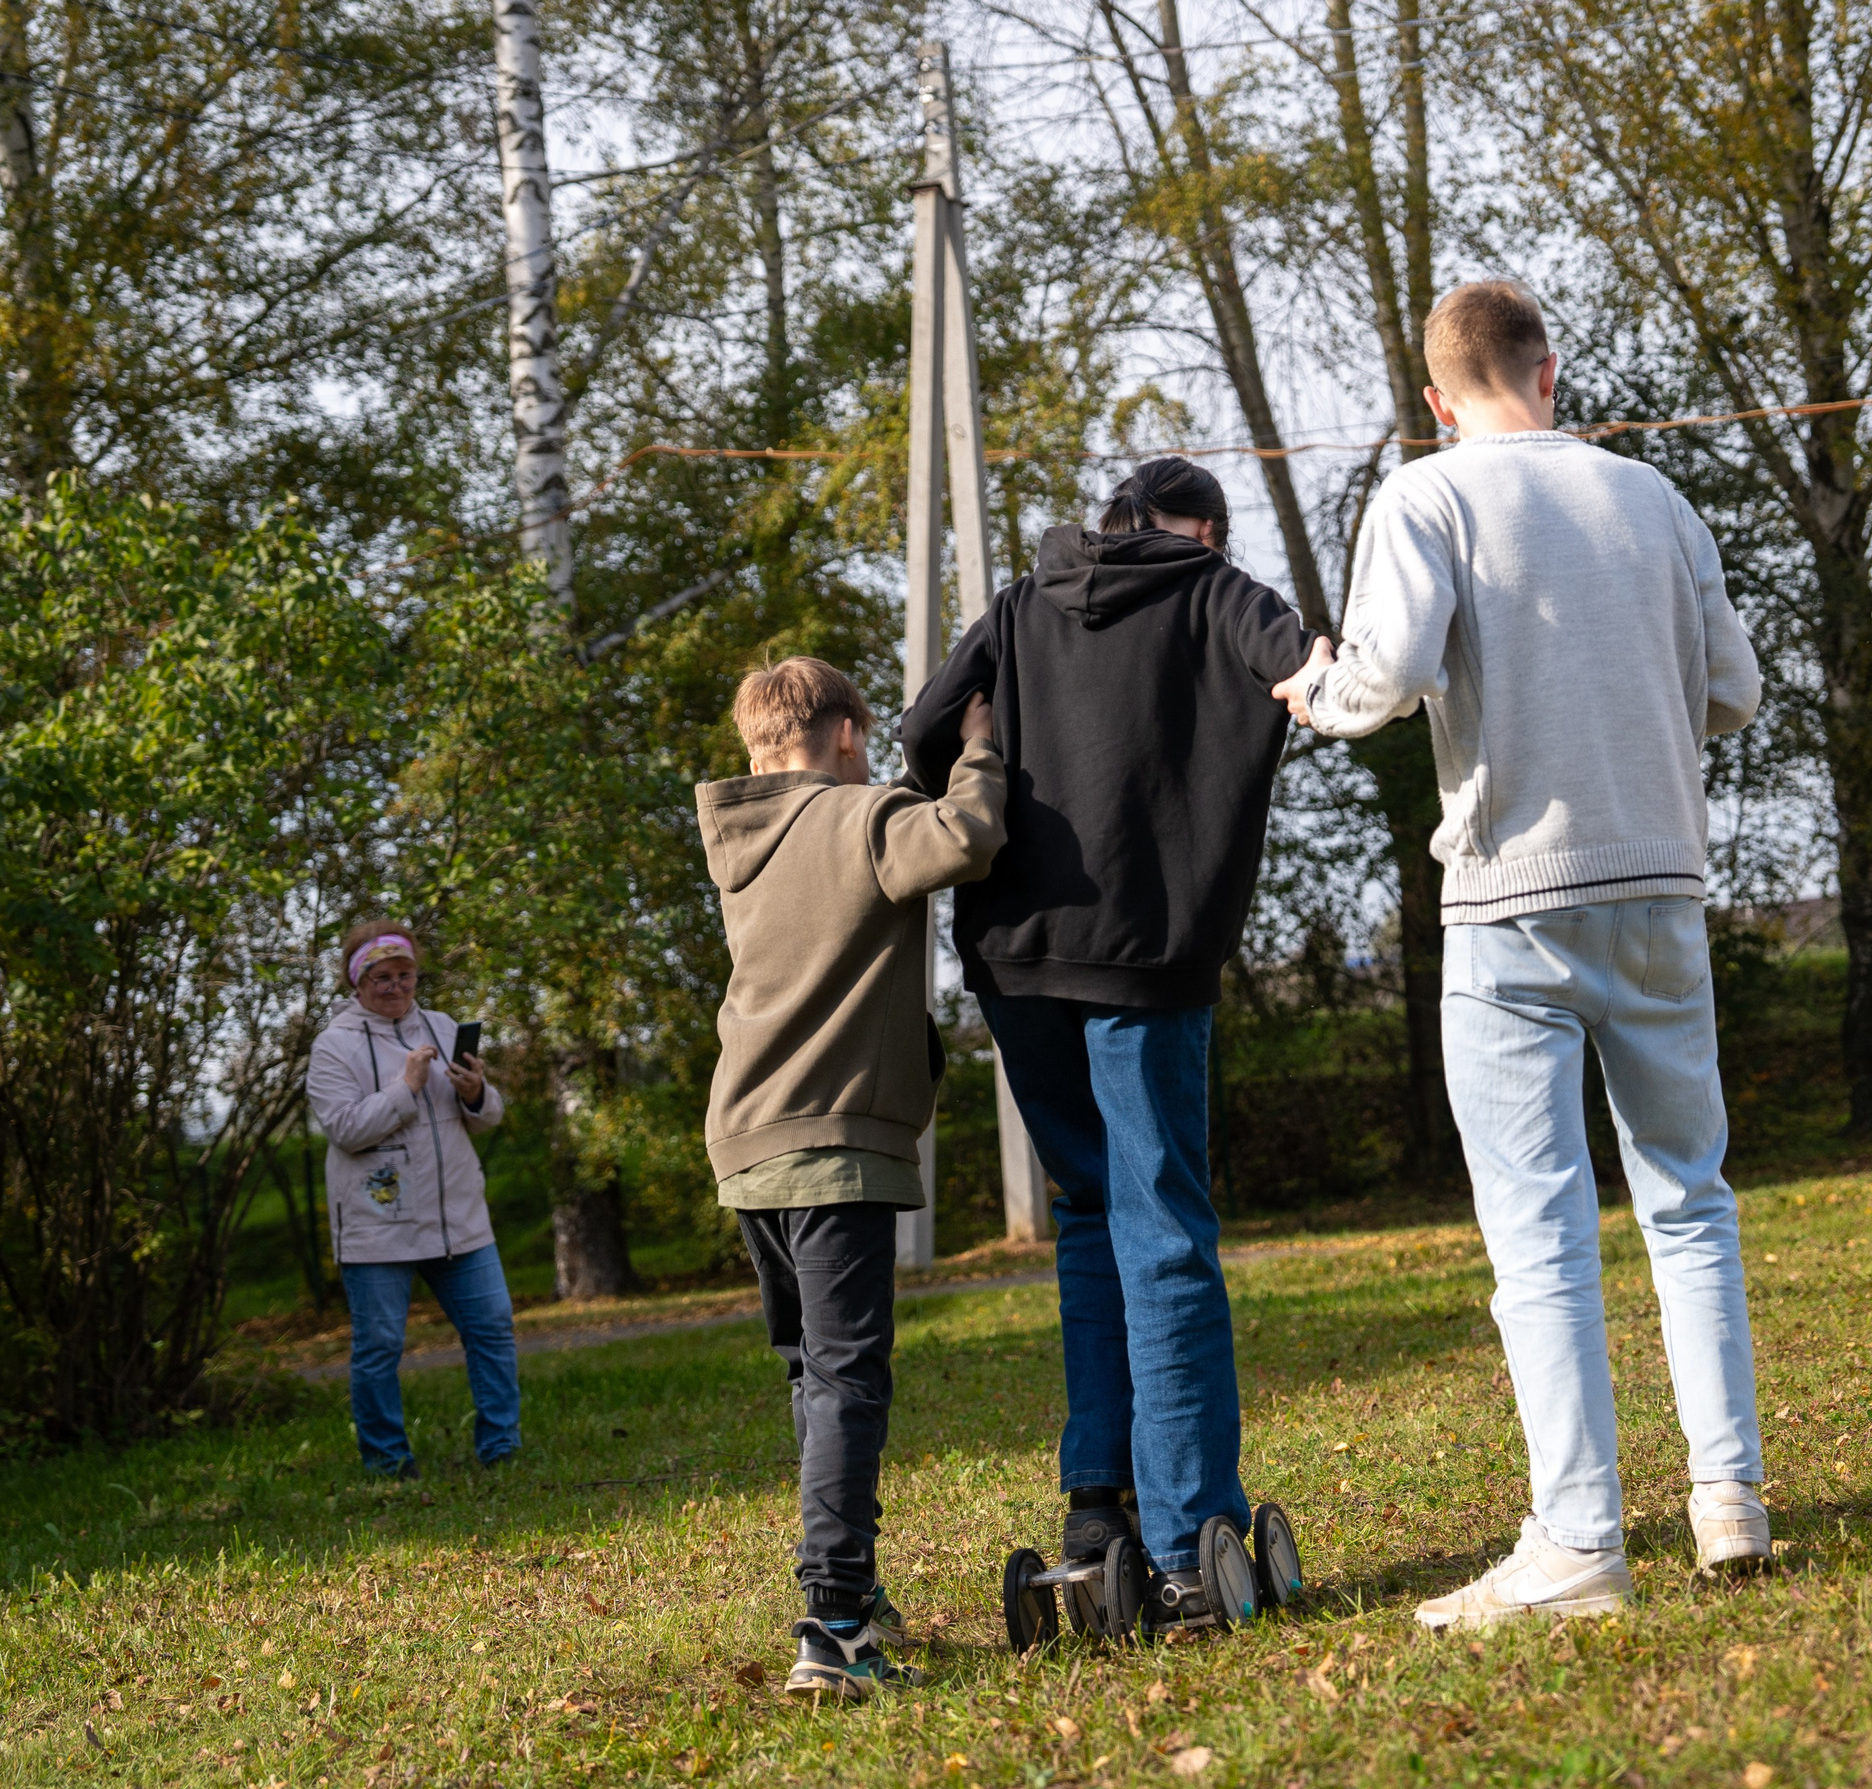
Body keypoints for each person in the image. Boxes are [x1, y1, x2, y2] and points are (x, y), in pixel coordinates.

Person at [1274, 278, 1770, 1624]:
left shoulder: (1426, 497)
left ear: (1438, 399)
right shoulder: (1655, 501)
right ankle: (1729, 1498)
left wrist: (1310, 686)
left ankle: (1580, 1535)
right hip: (1661, 879)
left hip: (1510, 900)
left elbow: (1375, 684)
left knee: (1538, 1228)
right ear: (1550, 367)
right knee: (1690, 1195)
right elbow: (1732, 691)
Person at [900, 455, 1314, 1628]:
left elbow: (927, 730)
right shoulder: (1212, 589)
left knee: (1092, 1213)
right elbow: (1303, 678)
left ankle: (1098, 1509)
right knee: (1165, 1222)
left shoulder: (1026, 602)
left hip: (1019, 958)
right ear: (1196, 528)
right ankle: (1189, 1537)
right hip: (1144, 956)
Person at [700, 656, 1005, 1700]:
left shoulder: (743, 835)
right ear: (840, 733)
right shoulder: (855, 815)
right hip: (833, 1146)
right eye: (865, 740)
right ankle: (832, 1622)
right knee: (846, 1381)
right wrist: (977, 748)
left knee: (809, 1374)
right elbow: (964, 839)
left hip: (747, 1141)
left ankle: (854, 1599)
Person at [305, 920, 515, 1478]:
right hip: (379, 1227)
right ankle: (388, 1462)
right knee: (379, 1347)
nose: (396, 986)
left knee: (492, 1327)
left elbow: (488, 1117)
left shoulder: (445, 1028)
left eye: (406, 974)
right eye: (382, 977)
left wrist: (477, 1094)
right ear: (357, 981)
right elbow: (345, 1128)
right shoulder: (333, 1047)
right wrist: (406, 1089)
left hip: (458, 1220)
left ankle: (501, 1448)